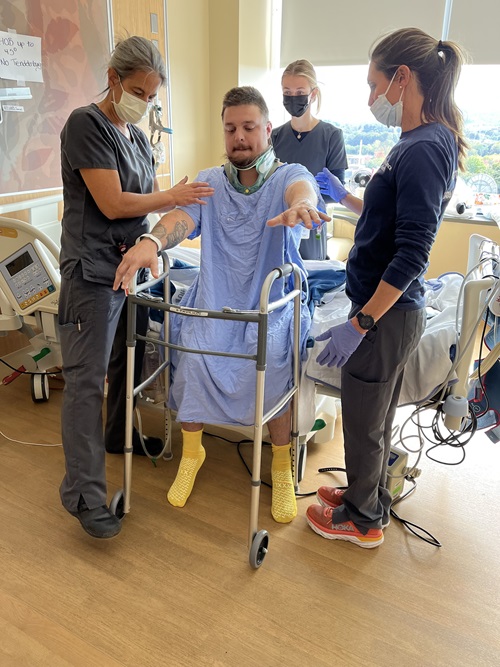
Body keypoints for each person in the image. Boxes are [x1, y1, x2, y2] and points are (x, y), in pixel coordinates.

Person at [114, 86, 329, 524]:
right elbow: (180, 219)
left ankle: (281, 466)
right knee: (191, 349)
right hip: (215, 296)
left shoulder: (288, 175)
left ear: (268, 131)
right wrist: (152, 242)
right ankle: (192, 454)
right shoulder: (211, 181)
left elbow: (302, 190)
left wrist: (303, 206)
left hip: (268, 302)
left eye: (249, 127)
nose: (239, 137)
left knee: (272, 356)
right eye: (231, 128)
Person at [306, 27, 468, 548]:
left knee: (363, 415)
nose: (371, 98)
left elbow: (413, 252)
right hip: (384, 310)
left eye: (375, 85)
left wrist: (361, 322)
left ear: (402, 78)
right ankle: (364, 494)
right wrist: (347, 200)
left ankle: (363, 520)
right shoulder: (415, 142)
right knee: (368, 414)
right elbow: (391, 216)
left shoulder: (424, 148)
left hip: (387, 313)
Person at [58, 36, 214, 539]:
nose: (146, 103)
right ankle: (83, 494)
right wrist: (172, 196)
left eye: (152, 96)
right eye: (139, 92)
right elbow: (110, 203)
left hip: (131, 273)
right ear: (113, 78)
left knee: (125, 365)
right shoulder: (87, 125)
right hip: (94, 274)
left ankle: (114, 439)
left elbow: (145, 201)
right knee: (87, 382)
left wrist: (161, 225)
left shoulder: (137, 136)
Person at [271, 59, 348, 260]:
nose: (293, 98)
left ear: (313, 94)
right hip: (280, 224)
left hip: (312, 224)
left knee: (308, 282)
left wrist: (306, 202)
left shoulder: (331, 136)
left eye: (299, 92)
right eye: (287, 93)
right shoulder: (274, 137)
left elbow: (336, 192)